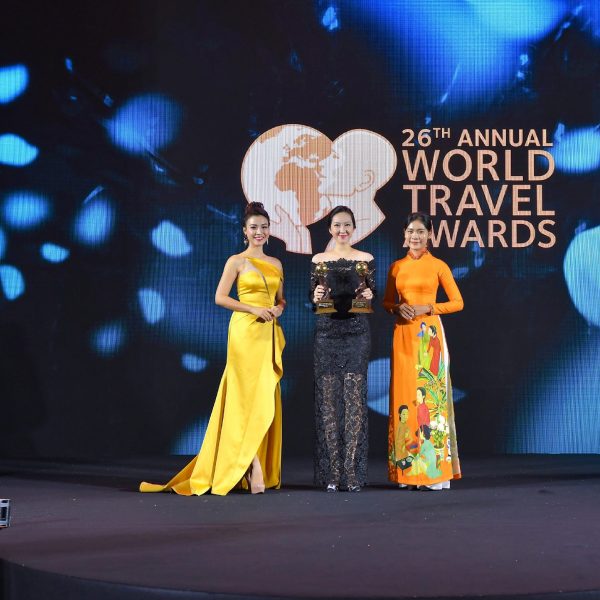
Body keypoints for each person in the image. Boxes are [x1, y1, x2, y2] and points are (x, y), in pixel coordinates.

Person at [140, 202, 286, 496]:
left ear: (269, 231)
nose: (259, 232)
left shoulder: (276, 263)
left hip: (268, 334)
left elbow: (281, 299)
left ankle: (252, 460)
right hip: (244, 332)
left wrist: (278, 309)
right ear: (245, 231)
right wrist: (252, 309)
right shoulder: (236, 261)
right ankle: (253, 464)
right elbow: (220, 297)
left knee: (263, 400)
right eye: (253, 227)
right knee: (242, 400)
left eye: (263, 227)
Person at [383, 212, 463, 491]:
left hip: (429, 337)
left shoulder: (438, 266)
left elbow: (457, 302)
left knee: (430, 402)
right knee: (404, 400)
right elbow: (387, 302)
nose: (415, 236)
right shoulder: (396, 267)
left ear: (430, 235)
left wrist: (428, 307)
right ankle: (407, 471)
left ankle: (432, 472)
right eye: (410, 231)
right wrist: (397, 308)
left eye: (420, 231)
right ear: (404, 234)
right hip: (403, 335)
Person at [310, 205, 375, 492]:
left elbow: (371, 296)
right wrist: (316, 295)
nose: (342, 230)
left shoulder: (366, 259)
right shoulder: (318, 260)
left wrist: (370, 293)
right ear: (329, 229)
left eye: (347, 224)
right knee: (328, 403)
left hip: (356, 334)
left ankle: (352, 471)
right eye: (337, 225)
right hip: (327, 334)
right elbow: (313, 299)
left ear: (354, 227)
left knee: (354, 401)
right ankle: (332, 474)